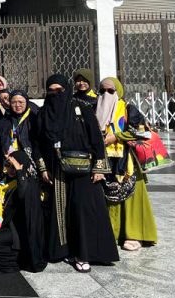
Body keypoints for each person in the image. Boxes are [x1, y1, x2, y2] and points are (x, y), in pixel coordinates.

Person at [36, 74, 119, 272]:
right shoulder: (43, 114)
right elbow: (37, 142)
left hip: (84, 169)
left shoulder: (81, 109)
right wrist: (43, 168)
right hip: (57, 171)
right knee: (62, 211)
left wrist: (99, 167)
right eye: (51, 91)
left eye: (59, 91)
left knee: (84, 210)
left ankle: (85, 253)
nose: (55, 94)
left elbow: (96, 139)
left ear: (67, 89)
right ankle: (64, 250)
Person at [95, 77, 157, 251]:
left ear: (119, 91)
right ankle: (113, 233)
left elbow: (142, 132)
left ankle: (134, 234)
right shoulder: (95, 109)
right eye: (102, 91)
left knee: (130, 196)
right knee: (108, 196)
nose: (105, 95)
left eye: (110, 91)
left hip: (126, 160)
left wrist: (116, 137)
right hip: (104, 160)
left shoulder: (128, 109)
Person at [0, 150, 47, 273]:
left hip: (17, 229)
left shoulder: (30, 184)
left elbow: (23, 196)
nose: (11, 169)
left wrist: (20, 171)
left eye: (13, 167)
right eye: (8, 165)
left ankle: (19, 260)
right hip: (2, 224)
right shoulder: (4, 182)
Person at [0, 90, 43, 176]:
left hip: (29, 164)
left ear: (26, 102)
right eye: (13, 102)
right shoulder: (5, 120)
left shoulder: (33, 118)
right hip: (9, 164)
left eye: (21, 102)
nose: (17, 105)